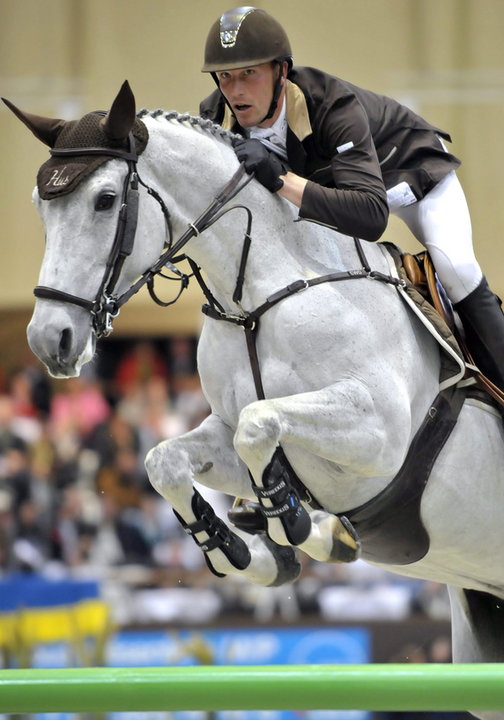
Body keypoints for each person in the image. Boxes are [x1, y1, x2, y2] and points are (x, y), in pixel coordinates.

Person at [199, 6, 504, 391]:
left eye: (249, 74)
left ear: (281, 70)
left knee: (454, 267)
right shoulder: (215, 115)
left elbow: (371, 216)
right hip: (338, 189)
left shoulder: (331, 105)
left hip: (410, 174)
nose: (236, 90)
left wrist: (280, 179)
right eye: (225, 77)